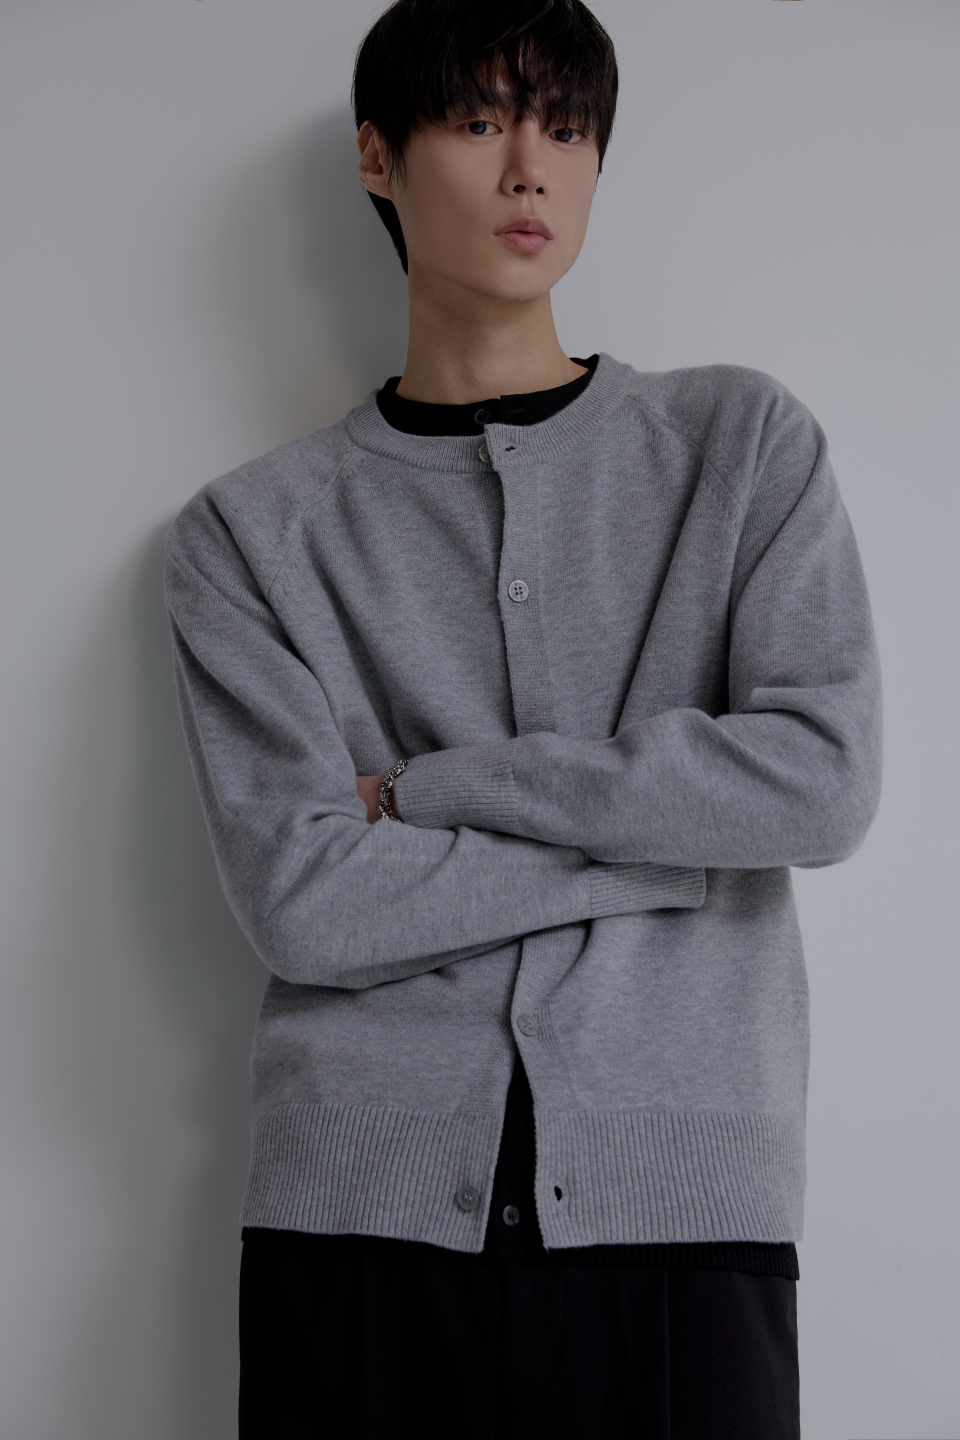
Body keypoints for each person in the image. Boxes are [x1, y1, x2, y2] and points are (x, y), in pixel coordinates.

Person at [163, 1, 882, 1435]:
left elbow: (821, 783)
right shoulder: (252, 535)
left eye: (565, 129)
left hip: (682, 1221)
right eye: (480, 121)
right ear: (378, 158)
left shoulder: (742, 449)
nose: (529, 170)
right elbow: (308, 904)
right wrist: (667, 854)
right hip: (356, 1230)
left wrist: (426, 793)